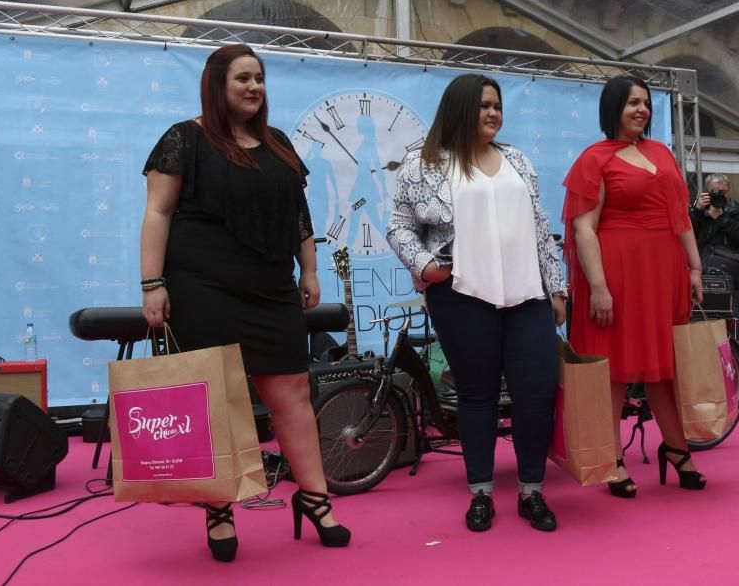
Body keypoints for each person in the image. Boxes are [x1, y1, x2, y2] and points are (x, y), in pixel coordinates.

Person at [140, 44, 350, 562]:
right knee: (219, 399)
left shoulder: (275, 142)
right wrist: (152, 283)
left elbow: (297, 211)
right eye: (242, 78)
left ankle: (315, 498)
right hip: (202, 283)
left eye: (259, 78)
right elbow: (159, 213)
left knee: (293, 390)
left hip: (271, 284)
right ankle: (219, 508)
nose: (254, 87)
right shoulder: (182, 138)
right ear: (217, 84)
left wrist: (311, 268)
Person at [387, 74, 567, 532]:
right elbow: (400, 227)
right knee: (477, 394)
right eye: (484, 105)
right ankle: (481, 493)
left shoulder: (518, 161)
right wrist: (427, 266)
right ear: (461, 109)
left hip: (527, 292)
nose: (492, 113)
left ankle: (531, 491)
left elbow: (541, 223)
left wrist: (557, 286)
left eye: (497, 106)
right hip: (462, 294)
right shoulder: (424, 163)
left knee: (536, 391)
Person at [563, 76, 707, 498]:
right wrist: (599, 287)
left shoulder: (661, 152)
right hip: (617, 276)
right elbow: (584, 228)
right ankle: (612, 459)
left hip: (665, 274)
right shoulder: (594, 159)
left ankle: (678, 450)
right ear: (613, 109)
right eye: (631, 103)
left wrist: (695, 268)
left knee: (666, 367)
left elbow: (680, 217)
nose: (641, 110)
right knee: (614, 373)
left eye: (645, 103)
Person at [690, 173, 739, 395]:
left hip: (734, 276)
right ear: (706, 192)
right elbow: (686, 234)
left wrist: (721, 217)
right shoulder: (700, 211)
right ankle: (707, 373)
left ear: (729, 189)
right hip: (704, 275)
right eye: (714, 192)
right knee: (703, 325)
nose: (720, 195)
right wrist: (696, 211)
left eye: (723, 191)